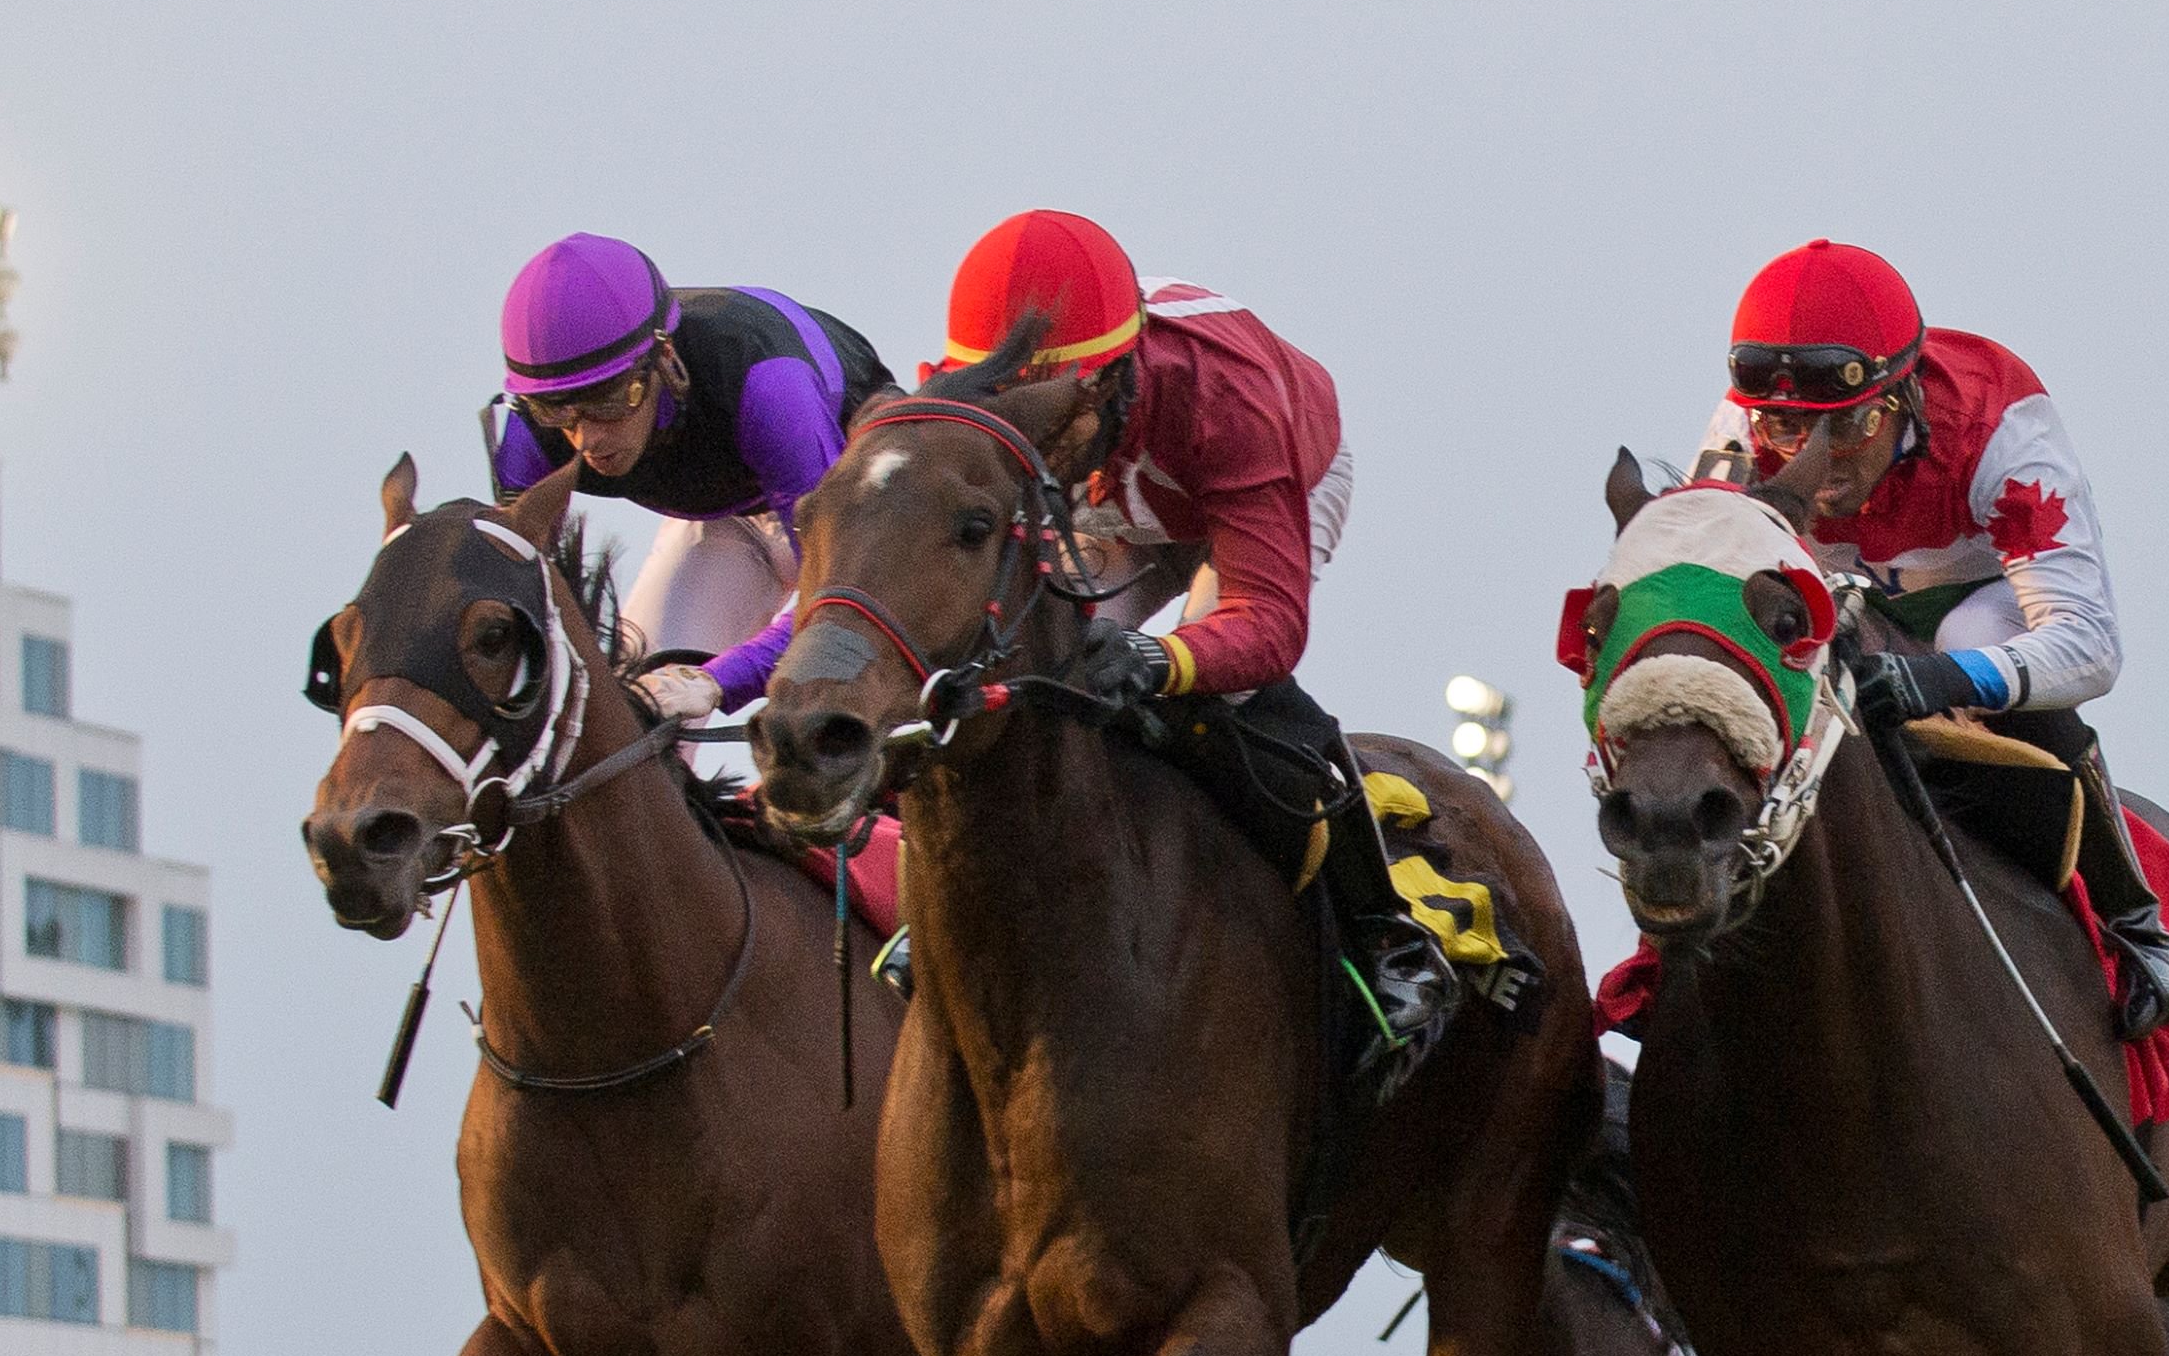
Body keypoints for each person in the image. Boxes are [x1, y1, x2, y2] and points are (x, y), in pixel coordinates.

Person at [942, 208, 1460, 1080]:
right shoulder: (1005, 397)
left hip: (1264, 475)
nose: (1024, 427)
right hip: (1130, 488)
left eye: (1045, 408)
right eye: (1005, 403)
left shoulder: (1227, 399)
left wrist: (1163, 660)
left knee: (1208, 685)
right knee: (1042, 672)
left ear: (1105, 381)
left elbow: (1268, 621)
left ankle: (1389, 937)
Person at [1685, 240, 2169, 1039]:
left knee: (1971, 627)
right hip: (1852, 605)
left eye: (1848, 425)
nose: (1814, 461)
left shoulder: (2003, 430)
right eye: (1786, 425)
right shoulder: (1739, 438)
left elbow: (2091, 647)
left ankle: (2138, 925)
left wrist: (1944, 679)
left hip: (1986, 609)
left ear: (1905, 399)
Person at [488, 233, 895, 716]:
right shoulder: (529, 430)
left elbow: (840, 594)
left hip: (860, 510)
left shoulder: (768, 390)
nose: (586, 439)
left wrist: (719, 680)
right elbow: (513, 600)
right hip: (728, 517)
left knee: (832, 708)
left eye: (612, 401)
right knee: (640, 708)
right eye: (558, 412)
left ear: (665, 358)